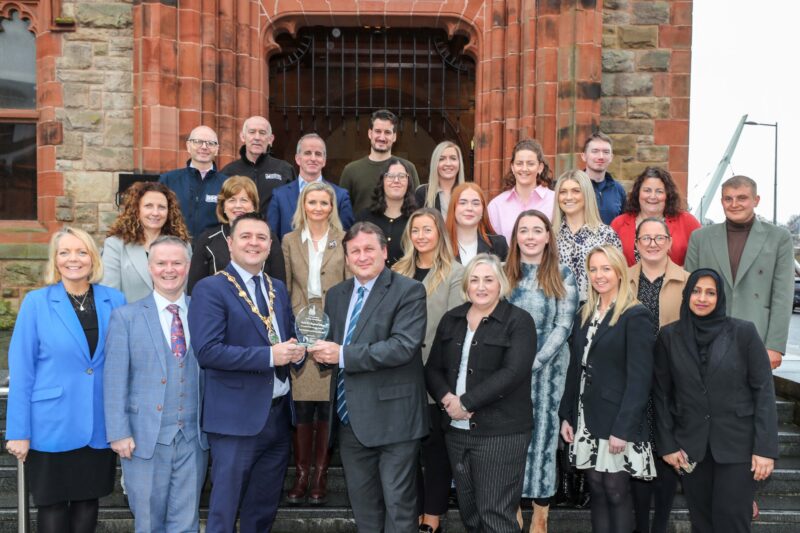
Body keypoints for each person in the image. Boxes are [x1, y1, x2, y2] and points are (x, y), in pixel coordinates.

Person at [187, 212, 306, 532]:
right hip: (234, 420)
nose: (254, 243)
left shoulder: (277, 288)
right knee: (224, 511)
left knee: (262, 511)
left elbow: (283, 339)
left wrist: (298, 351)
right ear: (230, 243)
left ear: (270, 246)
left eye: (261, 238)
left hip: (278, 417)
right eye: (246, 236)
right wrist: (270, 356)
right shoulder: (210, 289)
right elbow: (207, 351)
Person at [307, 222, 428, 533]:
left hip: (395, 421)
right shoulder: (335, 295)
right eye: (355, 251)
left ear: (384, 252)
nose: (362, 256)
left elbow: (402, 347)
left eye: (369, 249)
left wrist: (341, 354)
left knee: (399, 509)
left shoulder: (409, 290)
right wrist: (310, 351)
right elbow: (332, 349)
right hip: (350, 423)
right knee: (364, 512)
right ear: (346, 257)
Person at [6, 227, 126, 533]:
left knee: (88, 504)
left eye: (82, 251)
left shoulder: (115, 300)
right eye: (65, 252)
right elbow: (22, 371)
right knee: (52, 507)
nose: (74, 259)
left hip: (97, 424)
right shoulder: (36, 303)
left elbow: (123, 363)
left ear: (93, 258)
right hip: (51, 424)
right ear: (55, 260)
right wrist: (18, 431)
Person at [653, 269, 779, 533]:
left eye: (710, 292)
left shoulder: (743, 333)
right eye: (696, 291)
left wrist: (765, 448)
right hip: (691, 448)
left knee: (732, 521)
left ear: (720, 297)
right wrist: (667, 445)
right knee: (702, 523)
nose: (702, 298)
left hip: (738, 447)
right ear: (687, 295)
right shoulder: (668, 336)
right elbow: (662, 394)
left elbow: (764, 392)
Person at [425, 253, 537, 532]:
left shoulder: (519, 321)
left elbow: (513, 373)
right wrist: (448, 399)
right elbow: (432, 369)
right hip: (457, 431)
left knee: (496, 514)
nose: (481, 286)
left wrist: (467, 401)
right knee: (471, 514)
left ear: (501, 284)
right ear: (466, 285)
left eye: (489, 279)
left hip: (501, 433)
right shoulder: (452, 319)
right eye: (474, 280)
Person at [104, 236, 209, 532]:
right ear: (150, 268)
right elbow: (114, 378)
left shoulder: (203, 312)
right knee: (148, 522)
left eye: (177, 262)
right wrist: (119, 432)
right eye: (161, 263)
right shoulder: (126, 317)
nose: (169, 269)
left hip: (193, 438)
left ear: (187, 267)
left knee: (186, 521)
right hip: (143, 438)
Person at [559, 245, 656, 533]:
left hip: (617, 420)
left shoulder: (635, 314)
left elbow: (640, 379)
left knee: (615, 490)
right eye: (593, 269)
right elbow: (574, 368)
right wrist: (567, 416)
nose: (599, 275)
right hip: (585, 417)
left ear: (618, 272)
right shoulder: (584, 313)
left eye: (606, 268)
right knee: (597, 490)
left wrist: (623, 429)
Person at [505, 210, 578, 533]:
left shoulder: (563, 274)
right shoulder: (503, 274)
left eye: (538, 230)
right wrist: (512, 367)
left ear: (548, 236)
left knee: (545, 440)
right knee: (511, 440)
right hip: (507, 375)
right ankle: (513, 507)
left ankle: (540, 512)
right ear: (516, 237)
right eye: (524, 230)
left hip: (549, 374)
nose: (531, 236)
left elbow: (564, 325)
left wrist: (533, 362)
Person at [393, 207, 466, 533]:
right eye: (416, 230)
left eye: (427, 229)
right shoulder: (396, 271)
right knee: (408, 451)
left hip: (436, 372)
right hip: (399, 372)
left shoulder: (455, 272)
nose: (421, 236)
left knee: (435, 450)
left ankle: (432, 518)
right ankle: (413, 513)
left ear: (439, 233)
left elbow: (452, 327)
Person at [281, 181, 350, 506]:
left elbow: (349, 286)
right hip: (299, 327)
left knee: (325, 405)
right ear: (303, 205)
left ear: (331, 206)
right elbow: (284, 285)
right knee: (302, 405)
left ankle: (320, 476)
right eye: (313, 202)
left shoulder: (344, 241)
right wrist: (294, 325)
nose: (318, 207)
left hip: (332, 327)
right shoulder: (289, 240)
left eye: (324, 202)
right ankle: (301, 475)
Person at [684, 175, 793, 371]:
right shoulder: (700, 238)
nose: (734, 204)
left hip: (757, 335)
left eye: (741, 198)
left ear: (756, 200)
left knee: (753, 400)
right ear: (721, 201)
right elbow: (688, 293)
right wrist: (688, 338)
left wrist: (775, 346)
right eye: (728, 198)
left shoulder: (779, 238)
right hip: (707, 337)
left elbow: (783, 296)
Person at [628, 218, 690, 533]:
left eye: (659, 237)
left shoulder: (687, 281)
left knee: (667, 452)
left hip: (673, 381)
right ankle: (641, 526)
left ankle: (660, 526)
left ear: (669, 242)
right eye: (645, 238)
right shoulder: (622, 279)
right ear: (636, 243)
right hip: (632, 379)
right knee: (640, 452)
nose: (652, 243)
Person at [187, 175, 285, 293]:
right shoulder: (207, 239)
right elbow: (195, 289)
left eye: (244, 200)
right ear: (223, 206)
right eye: (232, 200)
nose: (238, 205)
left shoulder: (268, 237)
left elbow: (279, 286)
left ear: (254, 206)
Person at [102, 181, 191, 303]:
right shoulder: (116, 245)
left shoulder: (182, 246)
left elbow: (186, 291)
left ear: (169, 211)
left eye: (161, 207)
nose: (155, 212)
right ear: (136, 209)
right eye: (148, 206)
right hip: (131, 320)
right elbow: (109, 295)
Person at [268, 133, 354, 240]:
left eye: (318, 154)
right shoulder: (279, 195)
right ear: (298, 159)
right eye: (307, 153)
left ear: (324, 160)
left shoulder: (340, 196)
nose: (313, 158)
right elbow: (272, 238)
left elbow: (347, 239)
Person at [553, 169, 621, 302]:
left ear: (587, 194)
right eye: (563, 192)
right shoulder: (550, 236)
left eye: (576, 191)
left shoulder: (606, 235)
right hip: (558, 313)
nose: (568, 197)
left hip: (595, 312)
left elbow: (617, 279)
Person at [611, 166, 701, 266]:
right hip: (629, 281)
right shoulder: (619, 223)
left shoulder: (687, 222)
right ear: (638, 193)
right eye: (647, 190)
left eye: (659, 191)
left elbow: (702, 257)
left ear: (668, 195)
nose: (653, 196)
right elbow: (610, 263)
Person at [340, 109, 421, 213]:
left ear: (394, 136)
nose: (382, 137)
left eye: (387, 132)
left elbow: (417, 208)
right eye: (378, 131)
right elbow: (342, 212)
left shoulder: (408, 168)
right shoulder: (351, 170)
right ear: (370, 133)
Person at [158, 125, 228, 239]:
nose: (204, 147)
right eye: (198, 142)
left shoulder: (227, 184)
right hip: (175, 248)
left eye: (210, 143)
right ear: (188, 146)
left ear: (217, 149)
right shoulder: (168, 180)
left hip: (212, 252)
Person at [220, 115, 296, 214]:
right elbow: (222, 209)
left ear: (270, 139)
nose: (257, 137)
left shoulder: (285, 170)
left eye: (262, 133)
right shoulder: (228, 172)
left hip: (274, 229)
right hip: (239, 228)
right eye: (252, 132)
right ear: (243, 137)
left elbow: (295, 207)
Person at [488, 139, 555, 244]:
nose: (524, 169)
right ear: (513, 167)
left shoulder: (554, 201)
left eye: (530, 164)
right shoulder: (496, 206)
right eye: (519, 163)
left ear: (540, 168)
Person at [356, 157, 417, 267]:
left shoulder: (417, 219)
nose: (396, 181)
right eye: (390, 176)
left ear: (408, 182)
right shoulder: (364, 218)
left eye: (402, 176)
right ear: (382, 181)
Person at [445, 182, 509, 264]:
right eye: (462, 203)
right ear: (453, 208)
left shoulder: (499, 244)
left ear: (483, 210)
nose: (469, 208)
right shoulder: (440, 244)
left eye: (475, 203)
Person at [581, 131, 626, 224]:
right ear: (584, 156)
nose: (601, 157)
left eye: (606, 152)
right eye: (595, 151)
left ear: (611, 157)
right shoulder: (573, 186)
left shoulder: (618, 190)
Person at [415, 141, 466, 216]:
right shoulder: (423, 193)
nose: (448, 163)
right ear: (435, 163)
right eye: (441, 159)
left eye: (453, 158)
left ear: (459, 163)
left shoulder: (468, 193)